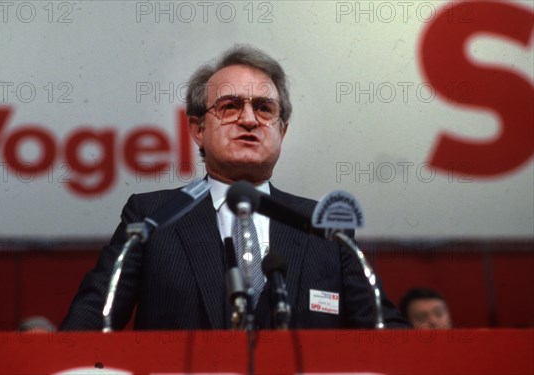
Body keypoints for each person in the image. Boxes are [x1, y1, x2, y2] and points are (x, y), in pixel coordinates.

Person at [61, 45, 408, 330]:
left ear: (282, 131)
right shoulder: (152, 218)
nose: (248, 119)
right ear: (198, 130)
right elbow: (91, 321)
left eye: (263, 108)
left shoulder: (323, 227)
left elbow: (383, 330)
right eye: (230, 107)